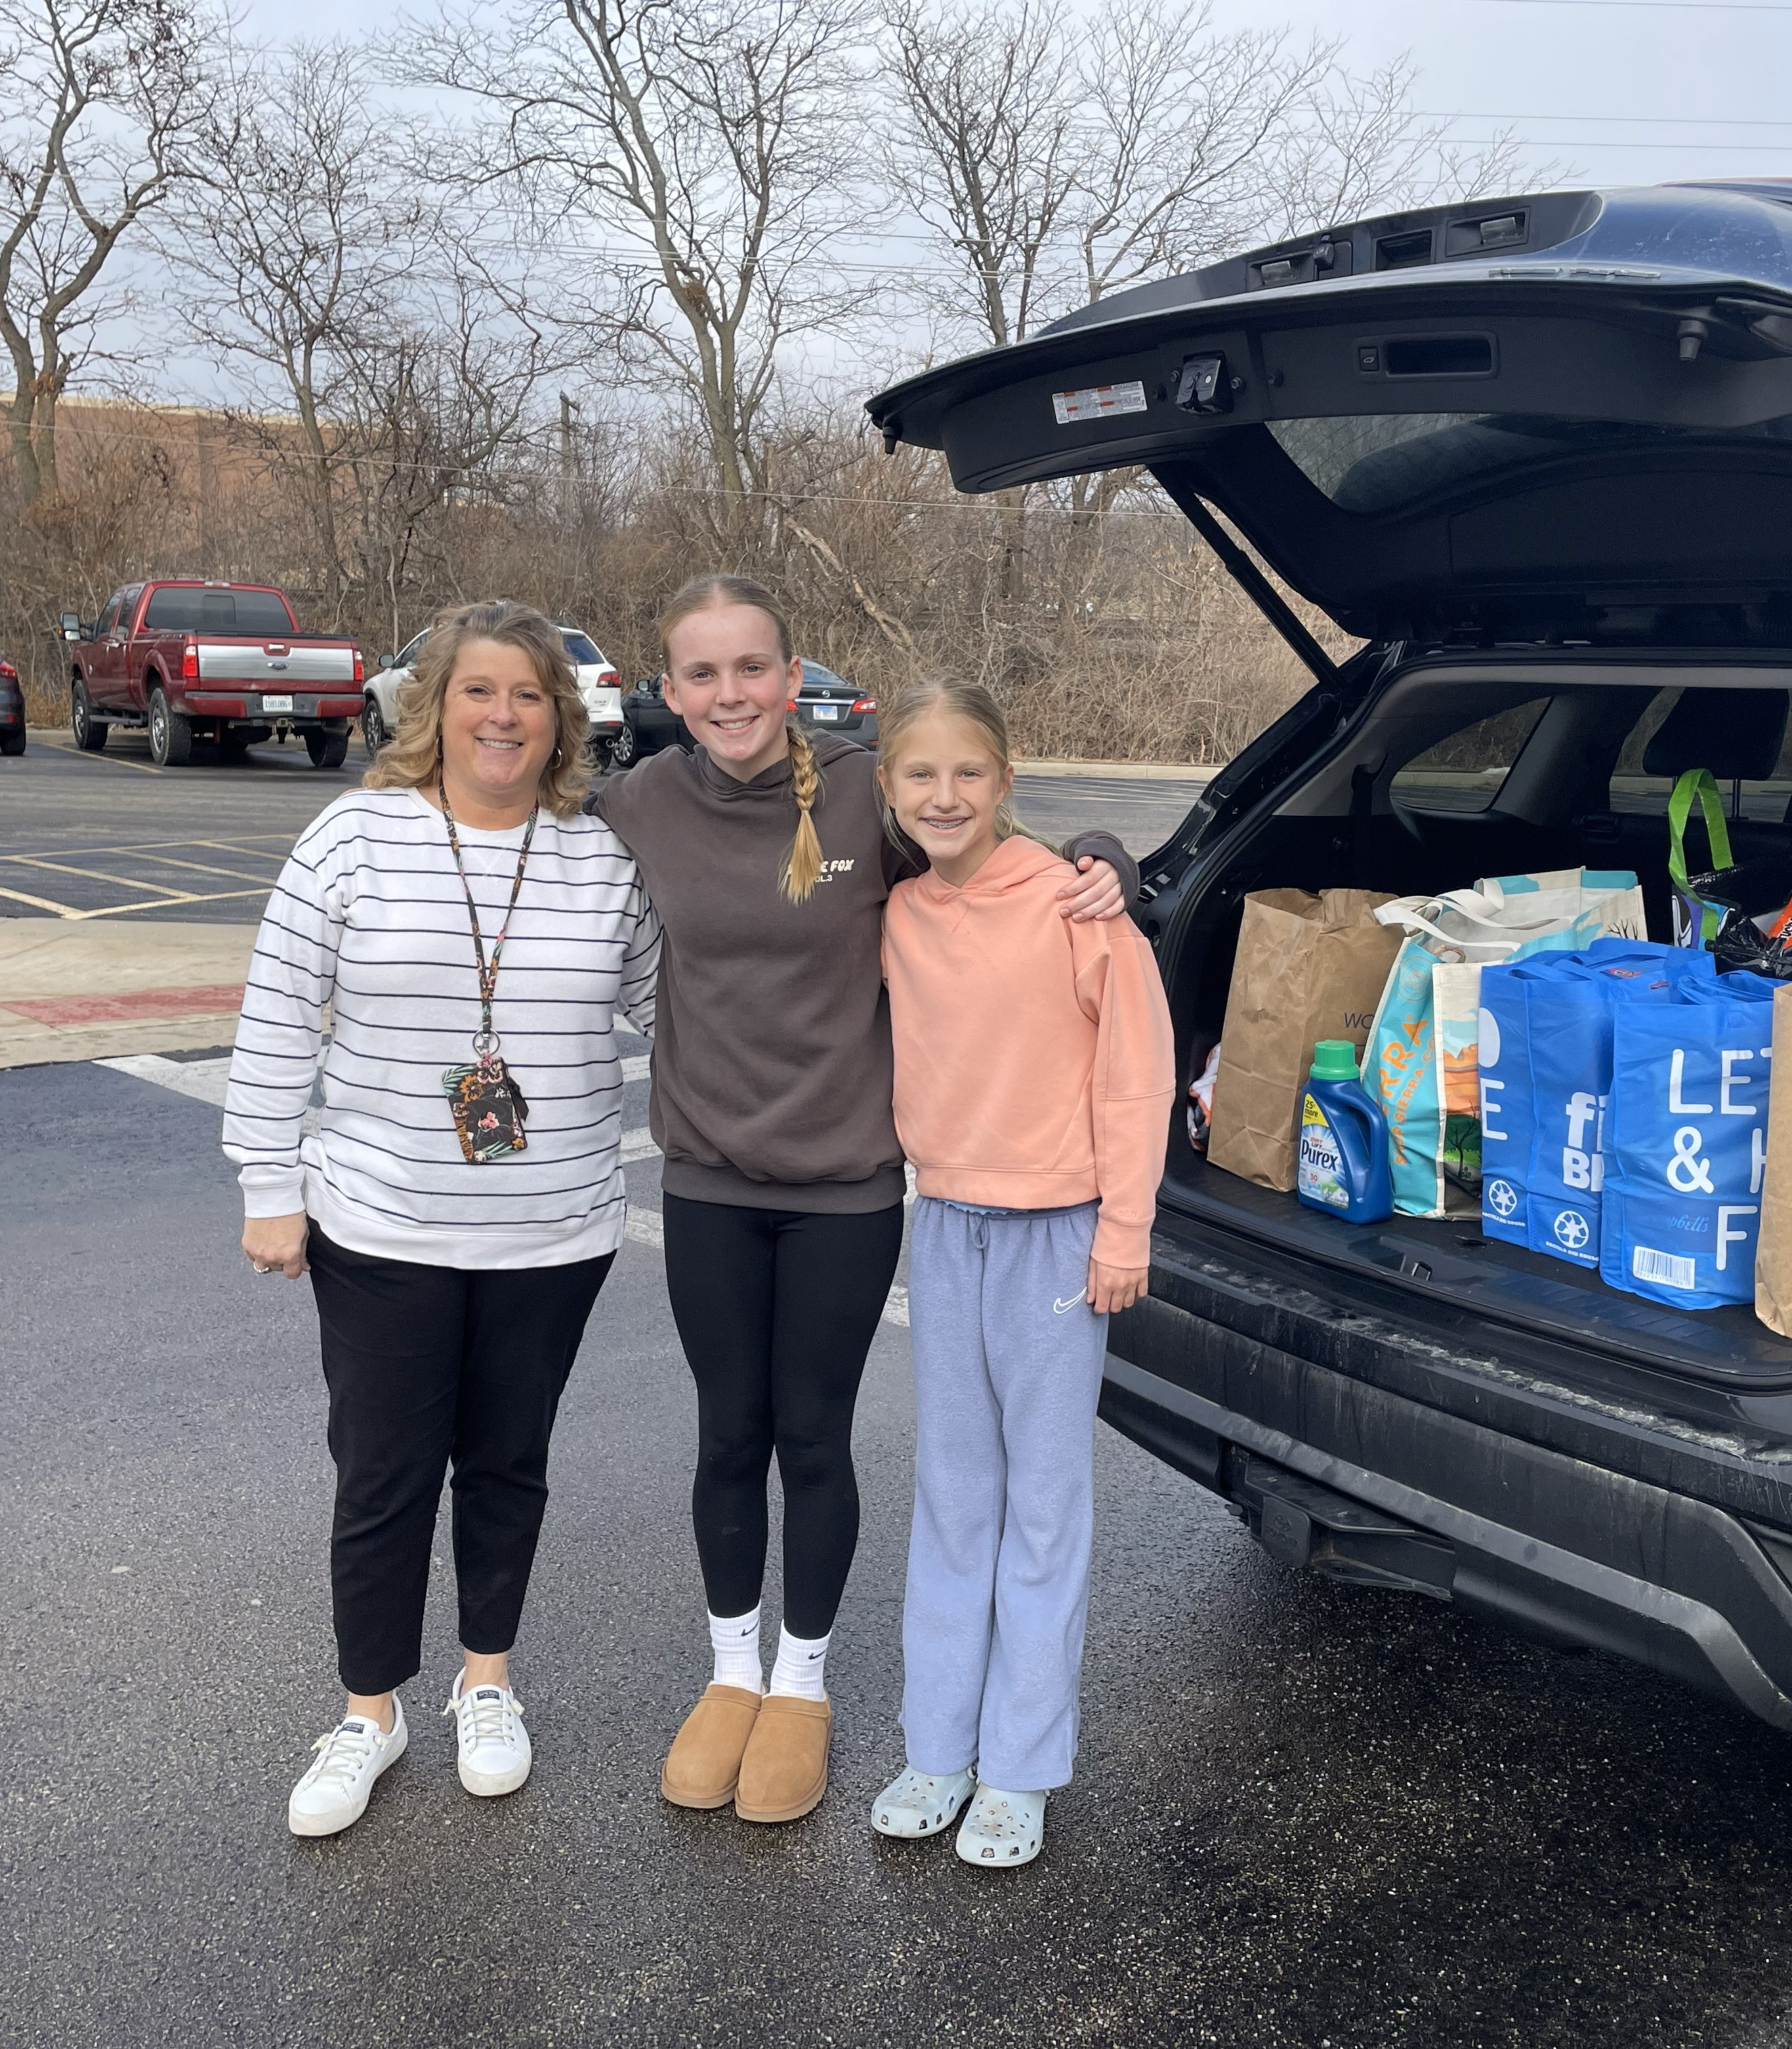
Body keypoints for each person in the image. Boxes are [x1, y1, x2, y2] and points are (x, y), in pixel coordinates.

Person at [589, 575, 1136, 1827]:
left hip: (849, 1187)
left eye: (753, 669)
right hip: (709, 1181)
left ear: (793, 679)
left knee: (814, 1439)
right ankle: (731, 1674)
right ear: (667, 692)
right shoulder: (637, 803)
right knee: (728, 1433)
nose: (730, 695)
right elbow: (513, 832)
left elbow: (984, 843)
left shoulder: (859, 788)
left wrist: (1104, 855)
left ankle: (803, 1686)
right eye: (703, 675)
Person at [222, 599, 660, 1839]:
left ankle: (487, 1684)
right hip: (382, 1224)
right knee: (382, 1475)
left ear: (558, 719)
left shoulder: (598, 855)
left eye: (527, 695)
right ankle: (371, 1713)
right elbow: (274, 1015)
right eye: (479, 692)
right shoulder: (352, 840)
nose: (504, 716)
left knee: (508, 1464)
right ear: (435, 709)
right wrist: (269, 1184)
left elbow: (675, 997)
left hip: (556, 1227)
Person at [864, 678, 1173, 1869]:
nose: (945, 796)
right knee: (953, 1495)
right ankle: (937, 1745)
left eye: (969, 774)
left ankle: (1021, 1766)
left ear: (1006, 780)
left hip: (1058, 1233)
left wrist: (1124, 1233)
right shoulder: (896, 915)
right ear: (889, 791)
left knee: (1042, 1510)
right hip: (944, 1227)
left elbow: (1137, 1078)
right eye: (920, 776)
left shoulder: (1079, 910)